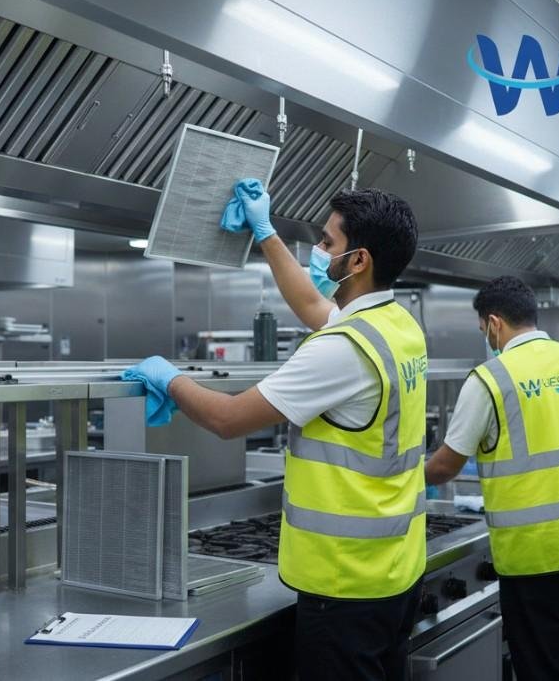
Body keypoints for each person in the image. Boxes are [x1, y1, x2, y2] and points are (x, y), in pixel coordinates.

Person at [124, 180, 428, 680]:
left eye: (327, 242)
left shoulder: (343, 349)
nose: (318, 252)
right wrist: (264, 232)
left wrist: (169, 378)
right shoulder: (397, 326)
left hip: (344, 583)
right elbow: (313, 306)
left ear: (359, 261)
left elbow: (227, 419)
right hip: (395, 571)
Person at [424, 276, 559, 681]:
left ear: (494, 323)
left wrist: (414, 475)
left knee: (541, 669)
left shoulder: (490, 379)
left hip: (534, 555)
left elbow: (445, 466)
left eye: (483, 329)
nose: (486, 337)